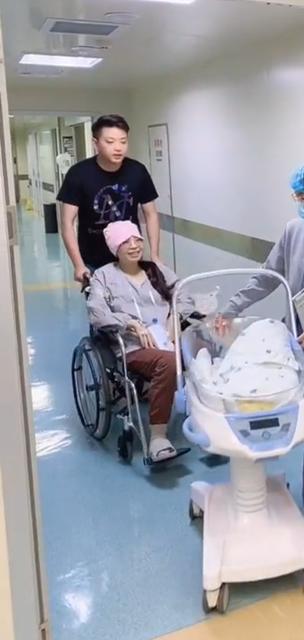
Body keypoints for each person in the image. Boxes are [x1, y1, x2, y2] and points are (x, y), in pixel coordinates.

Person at [215, 161, 304, 540]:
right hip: (303, 345)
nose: (299, 203)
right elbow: (267, 276)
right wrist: (231, 307)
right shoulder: (294, 231)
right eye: (296, 197)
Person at [87, 221, 182, 463]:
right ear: (114, 248)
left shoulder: (156, 270)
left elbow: (183, 294)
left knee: (206, 348)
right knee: (169, 362)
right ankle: (158, 438)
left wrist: (174, 319)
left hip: (169, 340)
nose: (134, 246)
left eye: (137, 240)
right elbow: (97, 313)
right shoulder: (104, 276)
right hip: (133, 347)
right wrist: (130, 324)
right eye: (126, 241)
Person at [58, 114, 162, 282]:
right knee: (100, 299)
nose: (118, 148)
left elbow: (151, 215)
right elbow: (67, 223)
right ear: (95, 143)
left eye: (123, 141)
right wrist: (78, 265)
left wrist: (155, 255)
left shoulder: (137, 171)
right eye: (110, 142)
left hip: (131, 257)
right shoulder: (78, 174)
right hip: (93, 261)